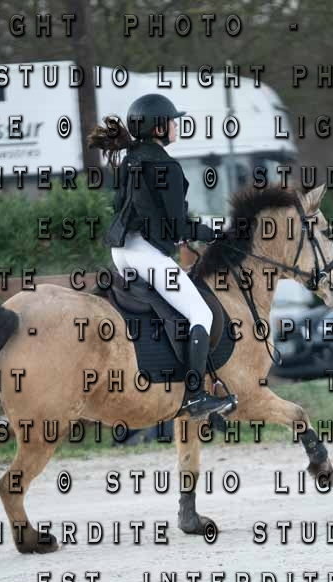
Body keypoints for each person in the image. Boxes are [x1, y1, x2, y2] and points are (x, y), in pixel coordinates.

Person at [88, 93, 237, 419]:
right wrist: (214, 233)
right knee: (201, 315)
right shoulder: (166, 166)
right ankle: (195, 397)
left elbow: (138, 211)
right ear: (158, 128)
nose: (176, 126)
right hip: (145, 254)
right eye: (171, 121)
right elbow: (177, 224)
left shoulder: (131, 158)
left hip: (122, 251)